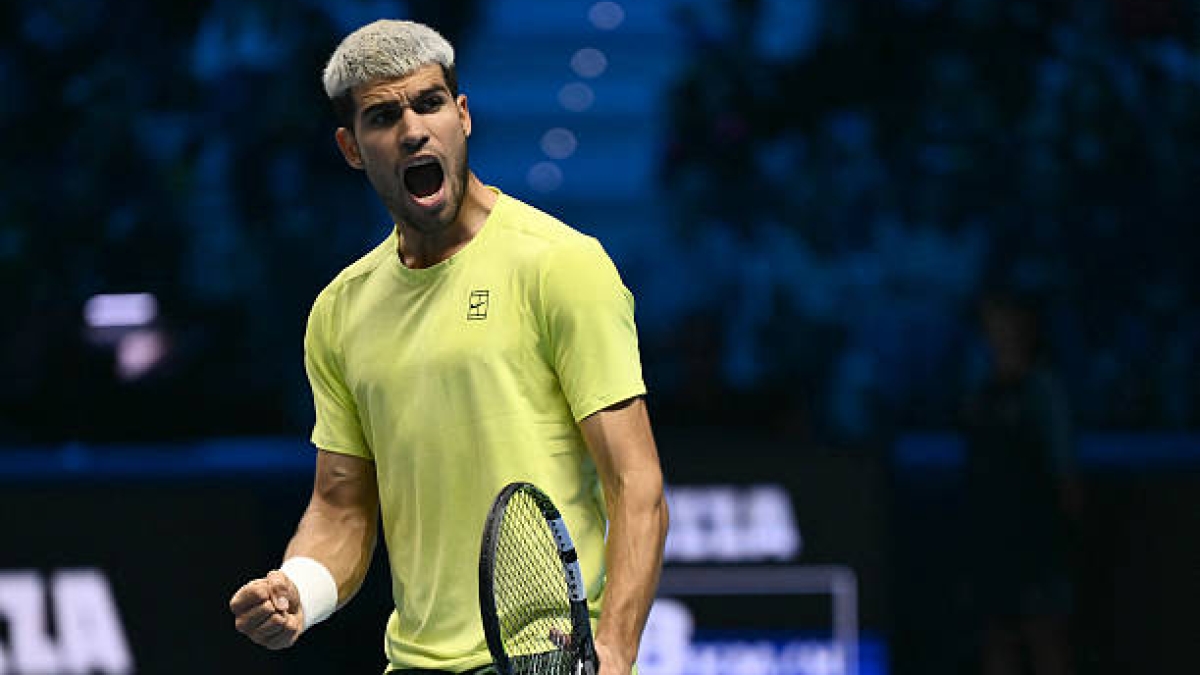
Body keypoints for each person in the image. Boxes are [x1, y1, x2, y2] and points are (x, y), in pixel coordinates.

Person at [228, 19, 668, 675]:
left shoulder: (561, 267)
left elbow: (637, 487)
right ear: (352, 147)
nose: (412, 130)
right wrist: (301, 588)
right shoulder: (340, 311)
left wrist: (615, 650)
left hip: (544, 659)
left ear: (462, 116)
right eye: (383, 116)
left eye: (429, 103)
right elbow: (342, 505)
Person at [959, 291, 1080, 675]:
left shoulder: (1044, 391)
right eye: (992, 322)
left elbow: (1066, 475)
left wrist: (1064, 540)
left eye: (1007, 320)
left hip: (1037, 540)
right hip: (990, 542)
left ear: (1025, 327)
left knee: (1045, 636)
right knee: (997, 639)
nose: (1000, 330)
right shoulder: (980, 395)